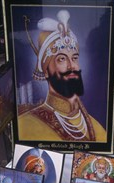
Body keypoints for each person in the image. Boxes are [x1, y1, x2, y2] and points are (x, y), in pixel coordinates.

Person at [18, 10, 106, 142]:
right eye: (61, 59)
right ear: (46, 70)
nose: (72, 66)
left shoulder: (97, 128)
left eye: (74, 58)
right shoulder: (26, 125)